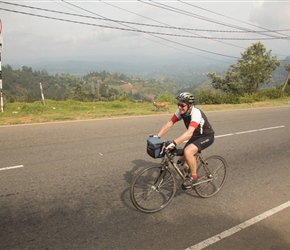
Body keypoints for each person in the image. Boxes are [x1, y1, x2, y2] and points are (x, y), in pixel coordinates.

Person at [155, 92, 215, 189]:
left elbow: (190, 132)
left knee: (187, 152)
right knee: (180, 161)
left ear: (190, 106)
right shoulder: (181, 111)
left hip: (206, 136)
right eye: (178, 104)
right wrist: (157, 137)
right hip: (195, 137)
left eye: (182, 105)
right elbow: (170, 123)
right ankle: (188, 172)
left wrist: (174, 143)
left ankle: (194, 177)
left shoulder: (196, 113)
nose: (179, 107)